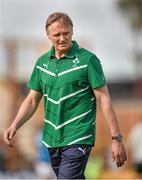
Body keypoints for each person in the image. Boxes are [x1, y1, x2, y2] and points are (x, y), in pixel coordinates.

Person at [4, 12, 127, 179]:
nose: (62, 38)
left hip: (79, 135)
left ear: (72, 32)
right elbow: (32, 100)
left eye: (66, 33)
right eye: (57, 34)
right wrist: (14, 125)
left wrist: (116, 139)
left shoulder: (88, 60)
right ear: (48, 35)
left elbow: (104, 99)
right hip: (51, 140)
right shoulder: (42, 64)